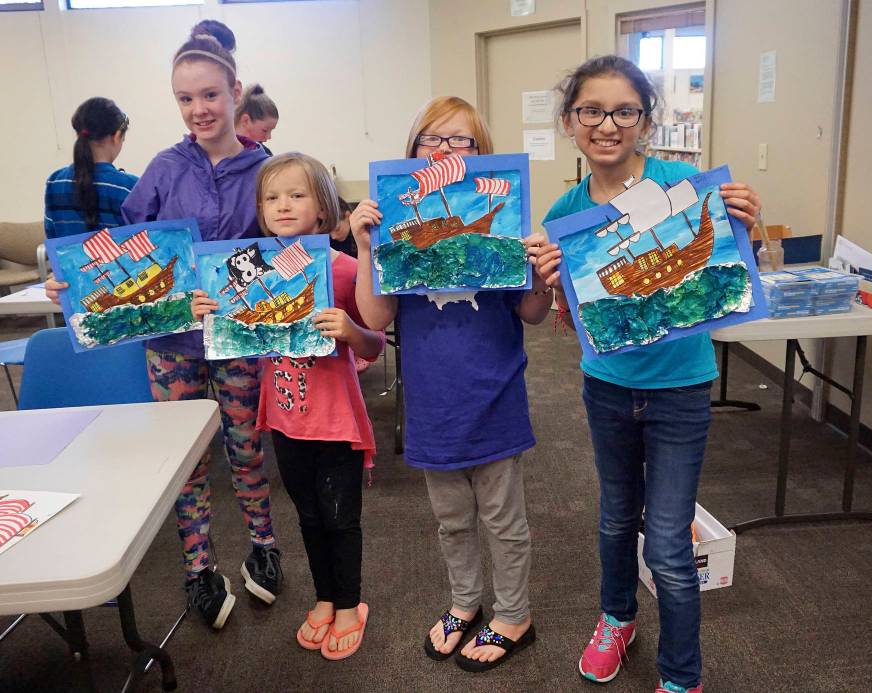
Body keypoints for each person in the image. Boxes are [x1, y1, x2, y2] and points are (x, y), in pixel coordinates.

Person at [534, 55, 762, 693]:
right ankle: (617, 618)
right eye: (591, 111)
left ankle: (681, 676)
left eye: (623, 111)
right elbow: (574, 320)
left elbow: (733, 272)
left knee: (666, 540)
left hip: (681, 390)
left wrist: (748, 228)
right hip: (607, 388)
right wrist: (555, 287)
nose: (607, 125)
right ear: (570, 121)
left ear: (645, 121)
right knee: (614, 517)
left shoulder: (685, 185)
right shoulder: (566, 213)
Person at [48, 20, 281, 630]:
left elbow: (287, 250)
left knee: (246, 449)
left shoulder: (267, 169)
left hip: (239, 338)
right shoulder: (163, 168)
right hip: (171, 344)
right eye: (185, 98)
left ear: (234, 92)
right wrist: (73, 285)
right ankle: (198, 568)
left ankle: (264, 544)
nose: (198, 109)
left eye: (210, 94)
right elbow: (121, 255)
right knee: (186, 461)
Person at [349, 96, 552, 672]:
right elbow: (375, 316)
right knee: (452, 520)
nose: (445, 150)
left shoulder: (507, 224)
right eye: (432, 140)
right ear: (413, 151)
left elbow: (533, 313)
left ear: (480, 152)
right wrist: (365, 248)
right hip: (432, 405)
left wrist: (541, 273)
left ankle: (514, 614)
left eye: (460, 141)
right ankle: (465, 603)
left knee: (504, 521)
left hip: (495, 395)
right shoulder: (396, 225)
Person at [192, 153, 383, 659]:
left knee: (340, 518)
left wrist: (352, 330)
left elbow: (375, 342)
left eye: (297, 195)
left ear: (323, 208)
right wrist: (207, 311)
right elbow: (232, 328)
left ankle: (350, 604)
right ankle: (325, 597)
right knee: (308, 517)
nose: (283, 206)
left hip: (336, 421)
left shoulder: (343, 268)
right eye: (271, 198)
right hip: (284, 419)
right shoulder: (248, 270)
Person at [44, 97, 137, 238]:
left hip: (68, 254)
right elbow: (147, 241)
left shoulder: (55, 182)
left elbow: (52, 238)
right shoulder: (129, 187)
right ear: (117, 136)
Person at [235, 84, 279, 155]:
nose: (269, 137)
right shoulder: (219, 148)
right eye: (265, 130)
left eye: (271, 130)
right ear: (246, 121)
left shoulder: (265, 155)